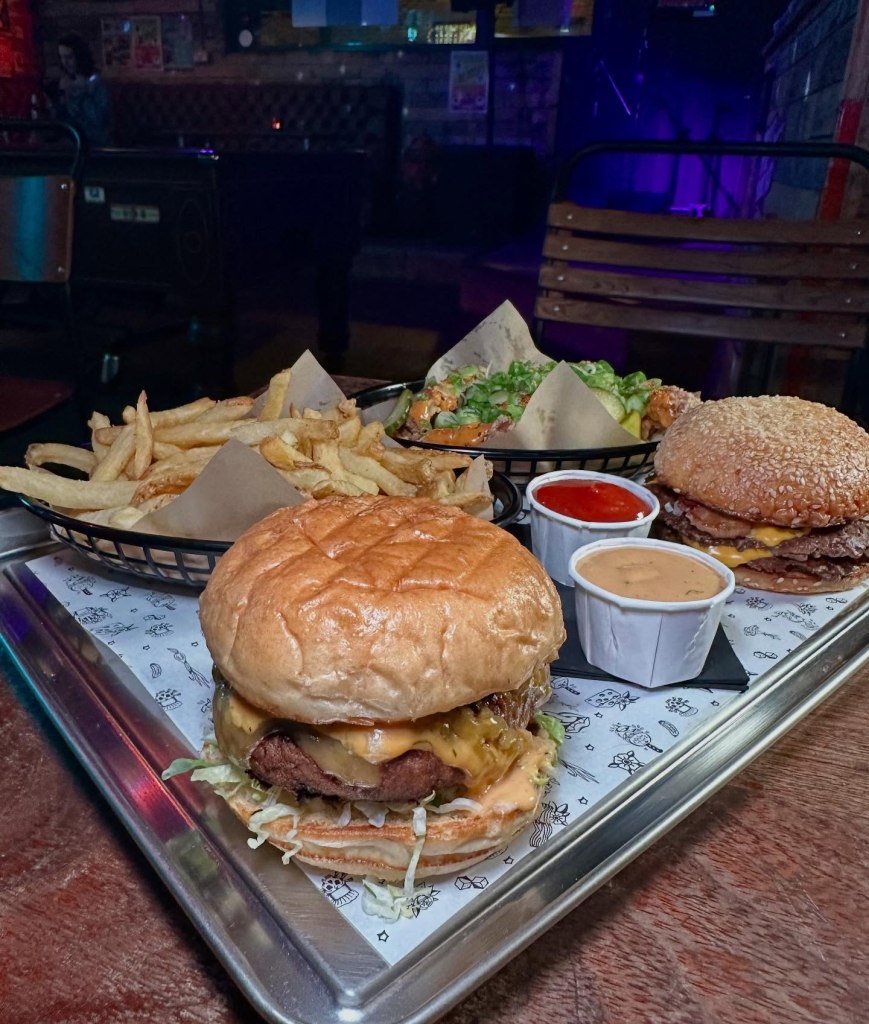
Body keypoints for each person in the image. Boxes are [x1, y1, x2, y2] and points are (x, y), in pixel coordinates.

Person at [47, 33, 112, 146]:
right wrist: (59, 98)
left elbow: (99, 120)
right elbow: (59, 122)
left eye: (69, 57)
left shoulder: (97, 82)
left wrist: (81, 93)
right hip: (72, 141)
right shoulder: (66, 81)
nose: (65, 62)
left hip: (96, 144)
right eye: (62, 57)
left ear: (80, 56)